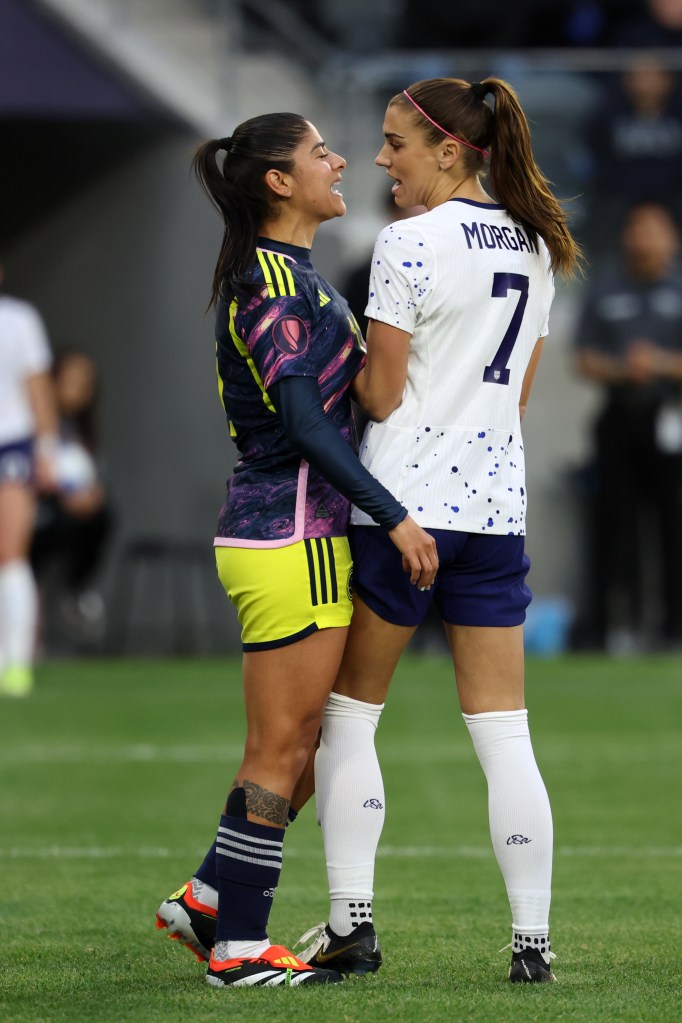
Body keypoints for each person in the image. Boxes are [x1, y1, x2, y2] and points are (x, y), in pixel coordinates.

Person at [292, 77, 582, 985]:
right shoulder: (537, 244)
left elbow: (379, 394)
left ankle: (352, 924)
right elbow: (519, 396)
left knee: (349, 716)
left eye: (395, 144)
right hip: (495, 511)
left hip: (402, 508)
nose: (380, 159)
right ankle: (531, 942)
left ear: (449, 151)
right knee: (505, 734)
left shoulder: (406, 241)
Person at [154, 111, 437, 989]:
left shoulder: (292, 275)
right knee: (283, 747)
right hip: (292, 535)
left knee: (303, 744)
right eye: (320, 152)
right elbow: (308, 425)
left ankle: (209, 894)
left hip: (287, 532)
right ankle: (238, 945)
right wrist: (393, 515)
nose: (340, 159)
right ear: (279, 182)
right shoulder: (273, 284)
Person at [573, 201, 682, 653]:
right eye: (638, 228)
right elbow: (583, 358)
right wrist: (624, 369)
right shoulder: (606, 288)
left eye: (656, 230)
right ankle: (606, 627)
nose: (646, 238)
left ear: (672, 238)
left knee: (672, 525)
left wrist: (656, 363)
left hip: (671, 418)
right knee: (613, 522)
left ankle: (672, 628)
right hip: (619, 415)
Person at [0, 266, 58, 697]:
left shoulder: (18, 320)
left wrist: (47, 454)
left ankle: (16, 662)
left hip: (10, 447)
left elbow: (39, 390)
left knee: (10, 553)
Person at [30, 351, 112, 649]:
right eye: (71, 381)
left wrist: (91, 495)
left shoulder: (84, 431)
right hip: (36, 513)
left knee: (102, 516)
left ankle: (78, 590)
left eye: (86, 383)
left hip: (70, 518)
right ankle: (28, 633)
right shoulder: (32, 422)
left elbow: (92, 478)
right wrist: (61, 495)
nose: (78, 390)